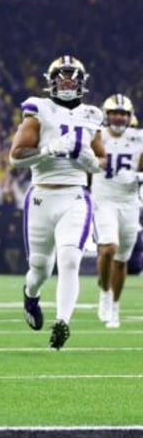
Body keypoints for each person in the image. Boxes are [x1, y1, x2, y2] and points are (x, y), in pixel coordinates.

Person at [9, 55, 105, 350]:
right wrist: (49, 150)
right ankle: (31, 295)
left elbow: (102, 161)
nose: (66, 81)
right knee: (39, 268)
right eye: (61, 76)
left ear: (81, 82)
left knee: (70, 259)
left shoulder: (92, 114)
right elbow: (16, 157)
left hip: (74, 196)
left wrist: (90, 160)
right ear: (51, 81)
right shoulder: (38, 108)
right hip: (41, 195)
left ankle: (62, 322)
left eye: (72, 77)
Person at [90, 93, 143, 329]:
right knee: (109, 247)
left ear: (130, 116)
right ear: (106, 115)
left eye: (123, 114)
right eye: (115, 113)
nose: (119, 118)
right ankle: (104, 291)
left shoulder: (138, 138)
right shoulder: (96, 135)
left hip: (130, 202)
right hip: (104, 199)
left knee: (122, 261)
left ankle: (115, 304)